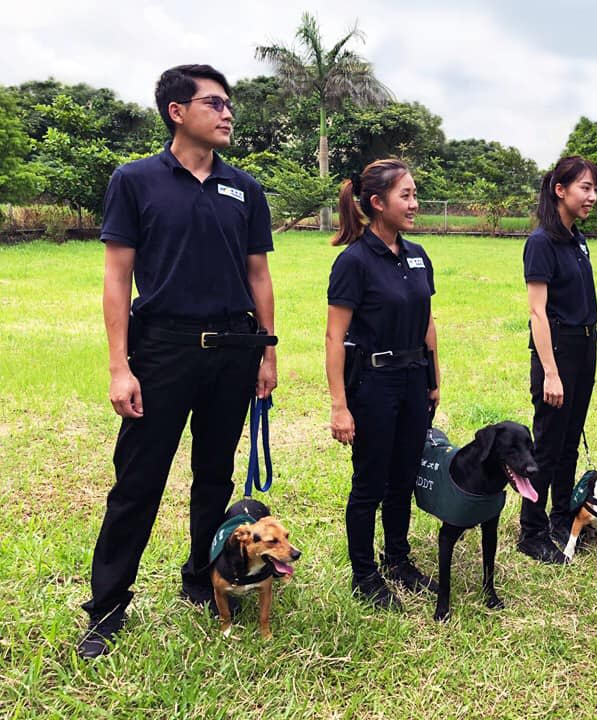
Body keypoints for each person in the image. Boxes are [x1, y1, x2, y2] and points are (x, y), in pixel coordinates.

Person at [77, 64, 277, 659]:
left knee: (214, 476)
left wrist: (266, 350)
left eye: (228, 105)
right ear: (176, 112)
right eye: (214, 104)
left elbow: (259, 275)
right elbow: (117, 279)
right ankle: (107, 606)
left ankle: (201, 578)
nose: (227, 114)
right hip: (161, 349)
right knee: (138, 481)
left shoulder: (245, 188)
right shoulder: (136, 181)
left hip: (234, 351)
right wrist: (120, 365)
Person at [325, 159, 440, 610]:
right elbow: (335, 336)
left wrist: (434, 375)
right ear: (377, 203)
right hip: (372, 383)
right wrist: (339, 405)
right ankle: (364, 573)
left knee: (404, 477)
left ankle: (398, 560)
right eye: (405, 195)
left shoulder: (416, 254)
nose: (414, 203)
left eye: (414, 194)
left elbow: (427, 318)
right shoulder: (353, 261)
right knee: (370, 481)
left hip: (414, 379)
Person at [518, 156, 597, 564]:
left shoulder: (577, 239)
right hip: (559, 349)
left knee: (570, 441)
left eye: (594, 189)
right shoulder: (542, 242)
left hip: (586, 345)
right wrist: (550, 372)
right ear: (560, 190)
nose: (592, 196)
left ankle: (561, 517)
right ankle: (531, 532)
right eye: (585, 188)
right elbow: (538, 312)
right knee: (548, 445)